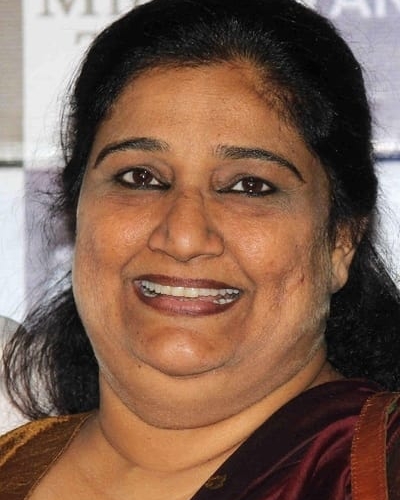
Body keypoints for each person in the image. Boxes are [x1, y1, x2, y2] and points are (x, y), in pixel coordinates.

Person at [1, 0, 400, 498]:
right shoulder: (12, 466)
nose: (185, 236)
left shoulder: (373, 471)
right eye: (140, 177)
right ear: (77, 210)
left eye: (249, 186)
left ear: (341, 240)